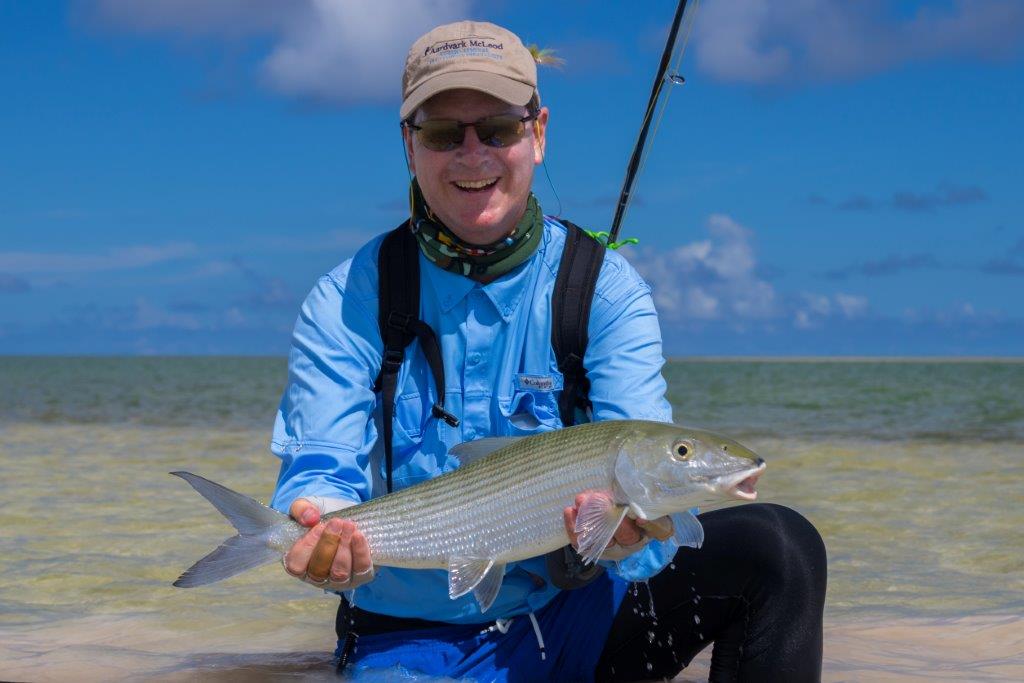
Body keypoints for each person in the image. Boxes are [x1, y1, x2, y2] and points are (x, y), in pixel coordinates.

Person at [269, 20, 826, 683]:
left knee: (782, 548)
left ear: (538, 132)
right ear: (409, 145)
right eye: (446, 133)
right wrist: (314, 527)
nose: (474, 155)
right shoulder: (348, 298)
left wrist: (625, 543)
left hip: (576, 611)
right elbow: (320, 465)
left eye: (499, 129)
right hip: (409, 636)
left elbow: (648, 517)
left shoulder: (606, 291)